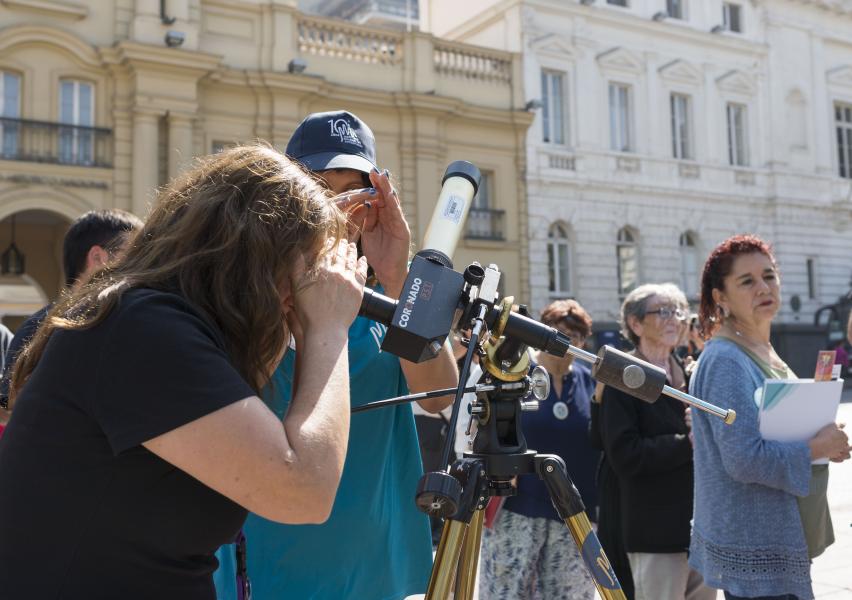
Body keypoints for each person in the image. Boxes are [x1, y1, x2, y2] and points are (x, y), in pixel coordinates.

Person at [0, 144, 367, 599]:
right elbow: (304, 489)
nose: (299, 296)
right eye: (300, 273)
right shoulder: (141, 329)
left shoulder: (150, 320)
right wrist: (330, 328)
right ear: (252, 259)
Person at [214, 110, 459, 600]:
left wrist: (398, 277)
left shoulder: (381, 307)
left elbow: (439, 394)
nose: (341, 210)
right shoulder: (243, 305)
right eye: (323, 189)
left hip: (384, 573)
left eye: (358, 194)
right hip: (271, 575)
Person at [689, 234, 851, 600]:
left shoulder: (761, 347)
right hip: (754, 547)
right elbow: (742, 459)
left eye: (769, 276)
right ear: (721, 297)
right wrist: (814, 448)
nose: (763, 287)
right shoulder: (726, 360)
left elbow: (780, 428)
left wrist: (825, 438)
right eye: (746, 281)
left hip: (776, 536)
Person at [599, 283, 714, 600]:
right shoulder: (625, 377)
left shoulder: (693, 374)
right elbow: (626, 455)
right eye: (662, 311)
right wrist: (687, 442)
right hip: (654, 532)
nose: (674, 319)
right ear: (635, 324)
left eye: (678, 311)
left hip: (703, 529)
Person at [480, 299, 599, 600]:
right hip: (520, 507)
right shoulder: (519, 372)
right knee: (506, 591)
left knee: (568, 594)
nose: (568, 341)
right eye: (559, 332)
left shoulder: (589, 381)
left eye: (577, 335)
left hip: (573, 511)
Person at [0, 209, 143, 411]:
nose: (143, 266)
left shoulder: (119, 321)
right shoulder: (38, 329)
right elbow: (11, 413)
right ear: (98, 257)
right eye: (134, 254)